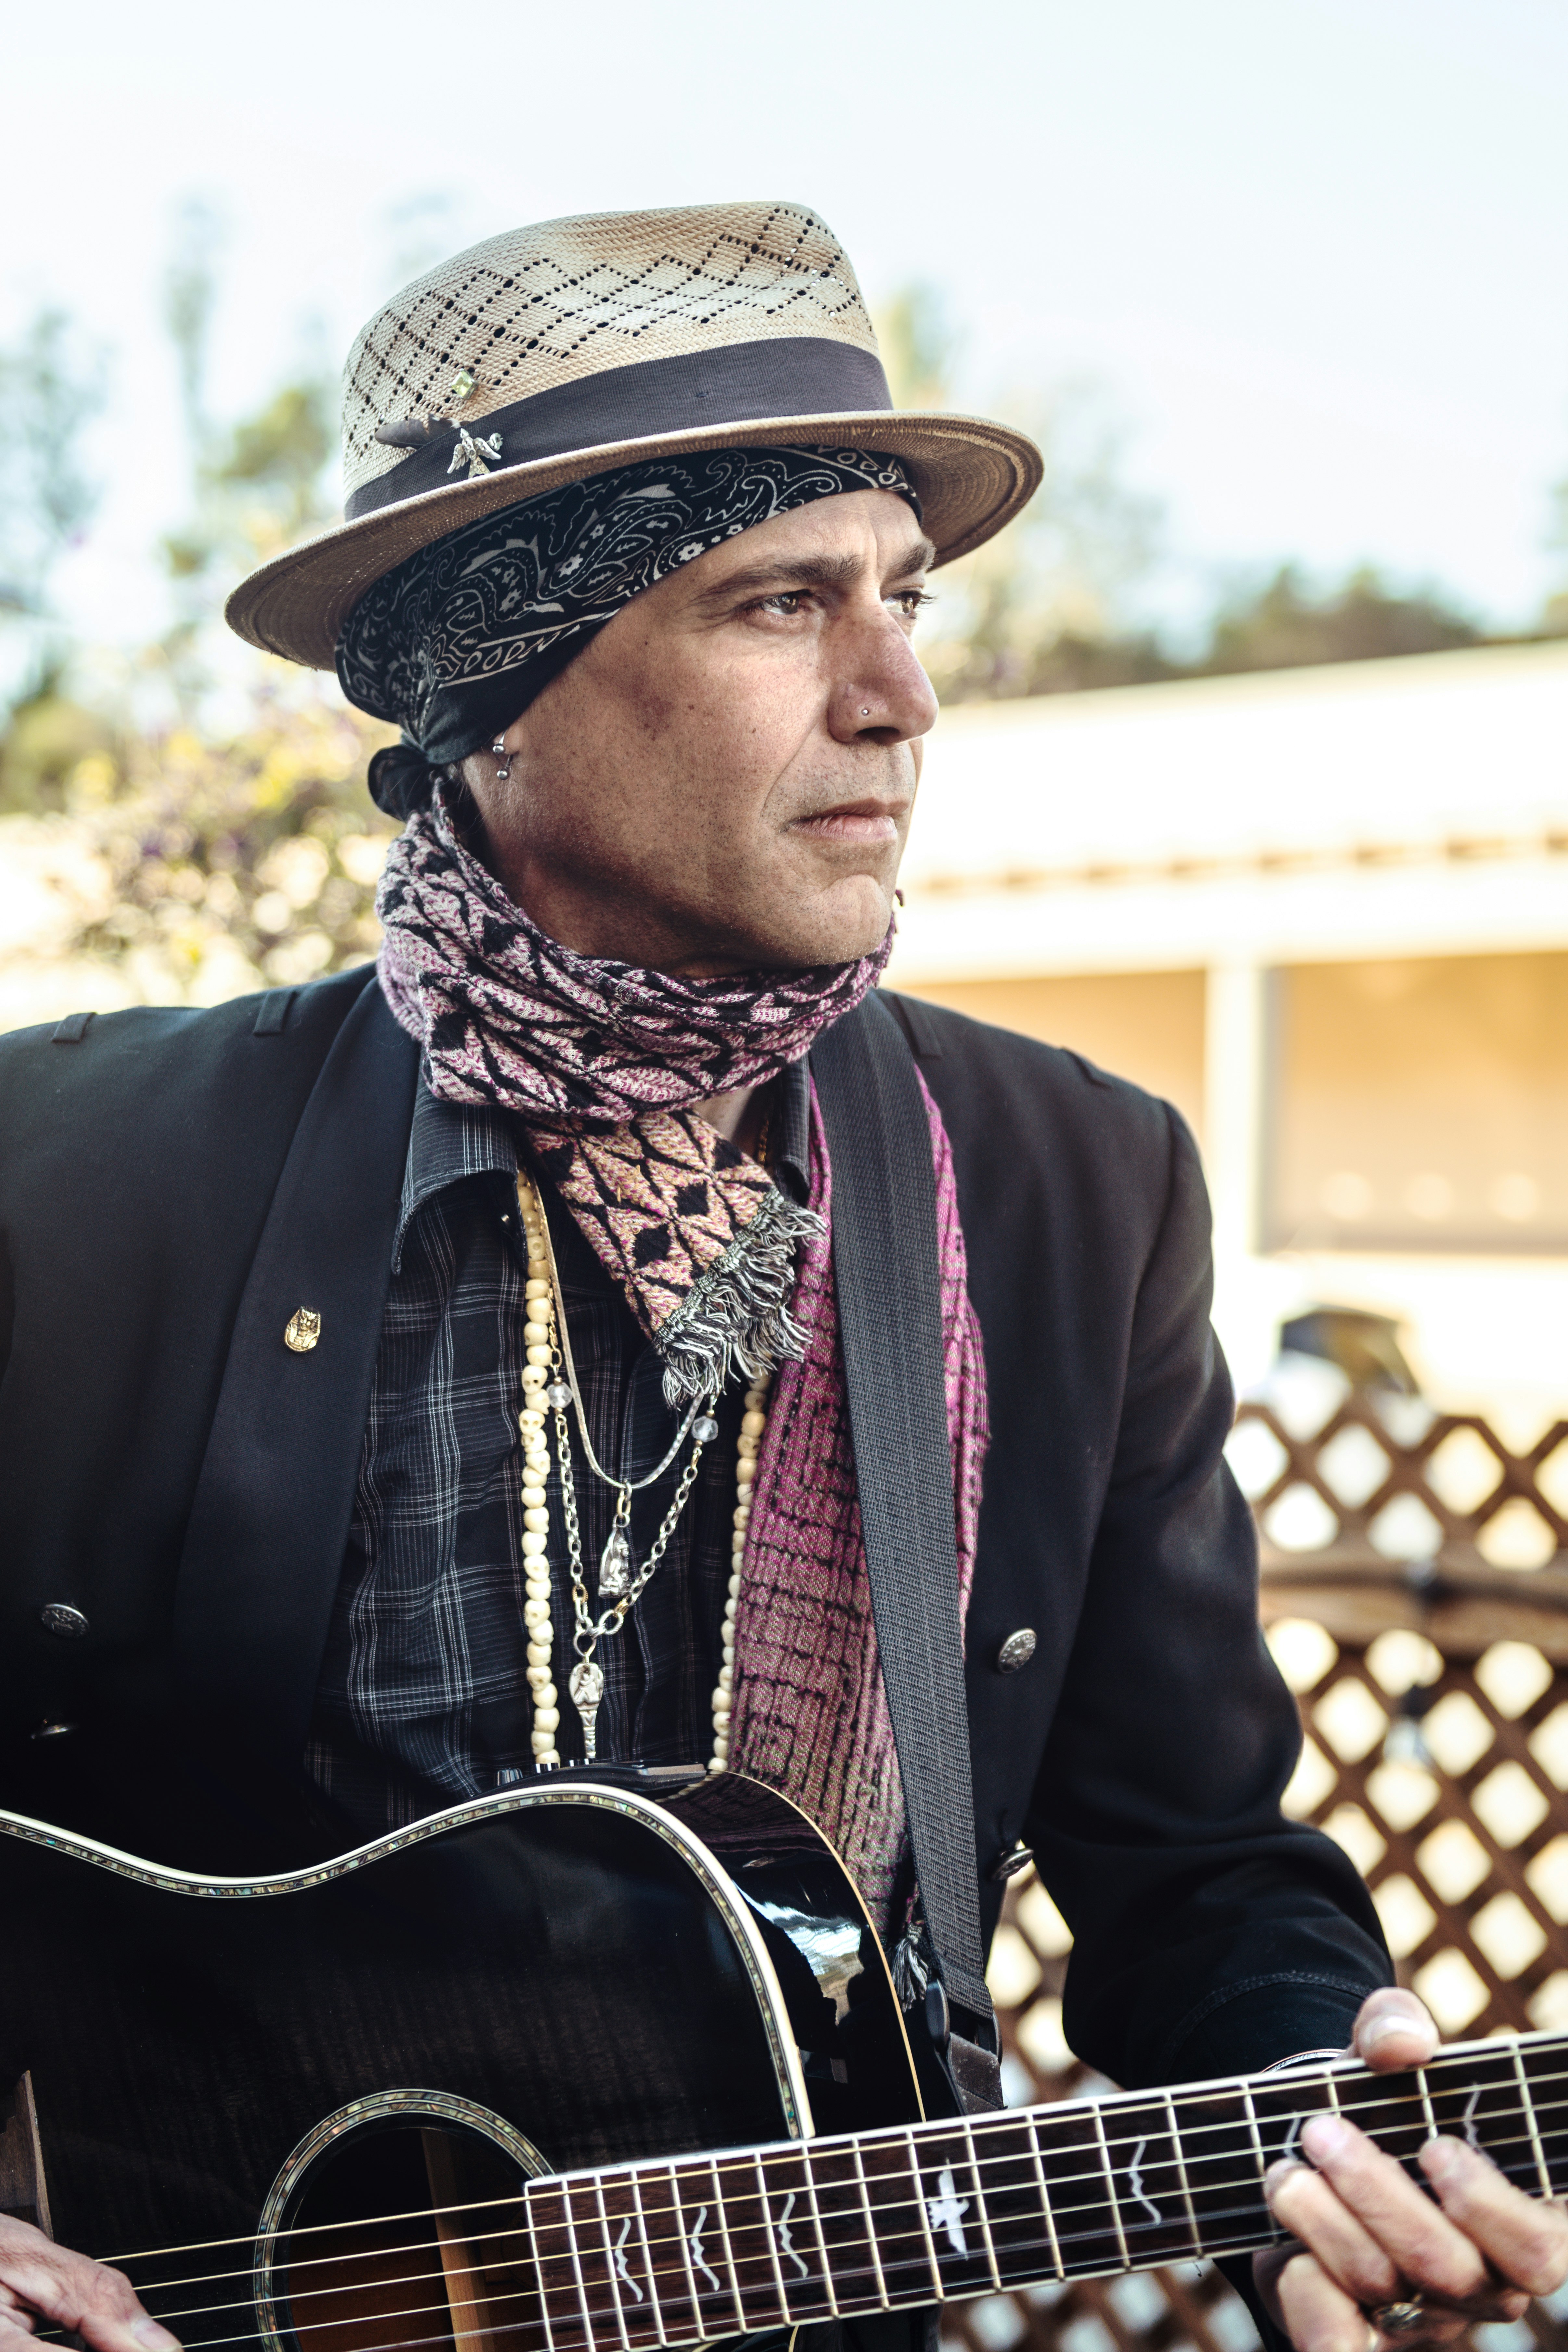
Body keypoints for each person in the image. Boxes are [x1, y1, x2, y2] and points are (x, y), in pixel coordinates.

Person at [0, 200, 1561, 2352]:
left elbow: (1198, 1865)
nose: (903, 693)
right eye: (780, 604)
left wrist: (1313, 2128)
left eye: (907, 600)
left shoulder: (1072, 1192)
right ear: (502, 686)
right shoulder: (75, 1179)